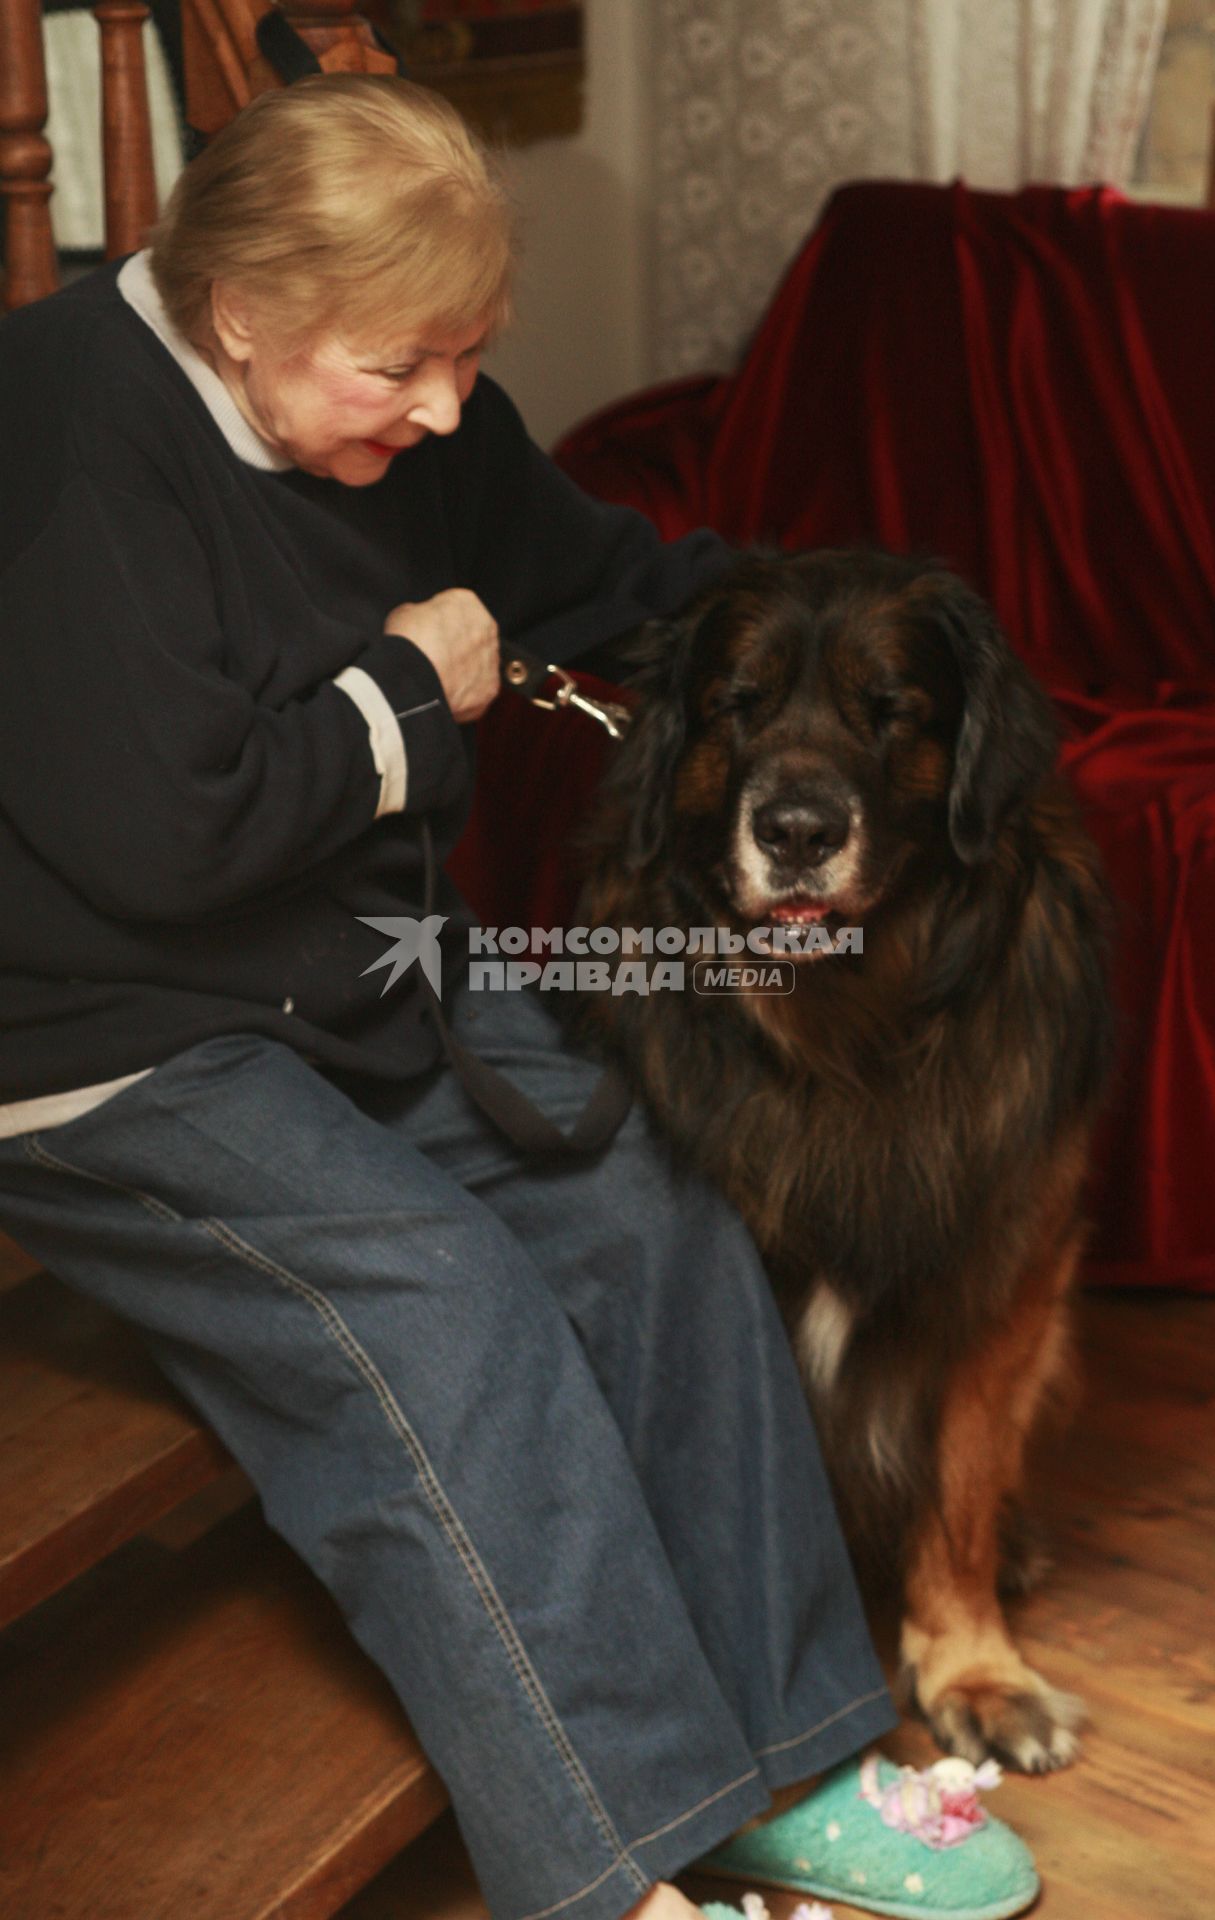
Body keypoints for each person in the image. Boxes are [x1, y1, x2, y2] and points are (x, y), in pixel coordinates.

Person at [0, 74, 1040, 1920]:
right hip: (105, 1043)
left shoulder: (403, 416)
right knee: (451, 1301)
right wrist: (406, 700)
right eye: (404, 368)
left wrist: (848, 669)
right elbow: (160, 838)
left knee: (648, 1206)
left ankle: (799, 1757)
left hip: (348, 977)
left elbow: (618, 585)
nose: (448, 408)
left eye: (468, 357)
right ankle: (618, 1868)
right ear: (240, 318)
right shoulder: (59, 426)